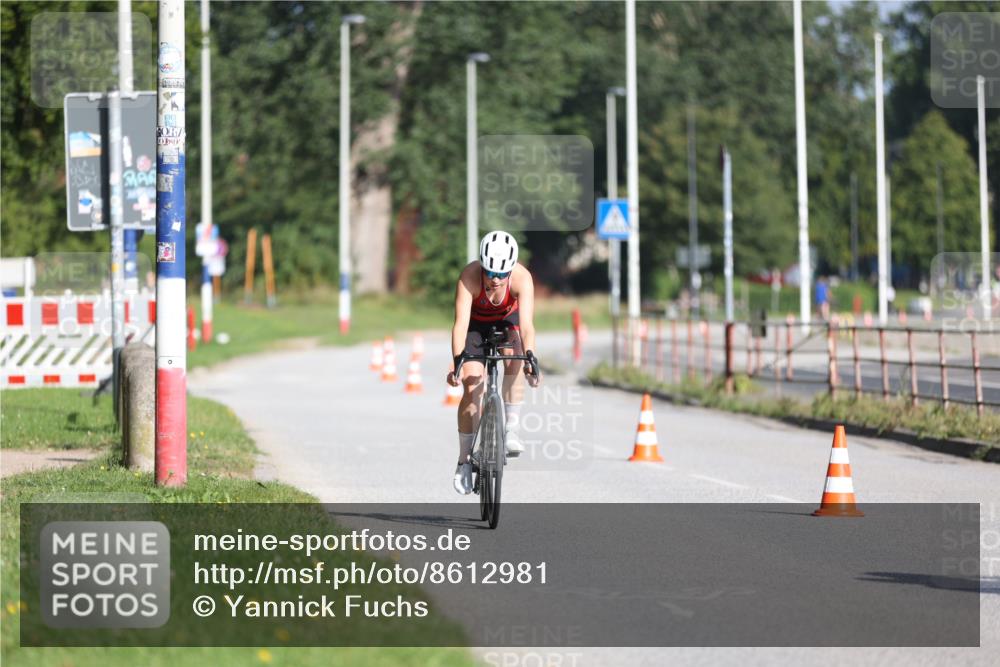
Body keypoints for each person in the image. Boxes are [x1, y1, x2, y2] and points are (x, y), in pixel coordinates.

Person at [446, 231, 541, 495]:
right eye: (490, 272)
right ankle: (464, 461)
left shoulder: (522, 279)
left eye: (501, 274)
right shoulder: (469, 277)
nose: (495, 279)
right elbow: (459, 326)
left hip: (507, 323)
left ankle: (510, 428)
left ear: (511, 269)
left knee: (516, 358)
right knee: (472, 384)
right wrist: (457, 363)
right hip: (475, 326)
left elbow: (528, 326)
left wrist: (531, 357)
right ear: (482, 266)